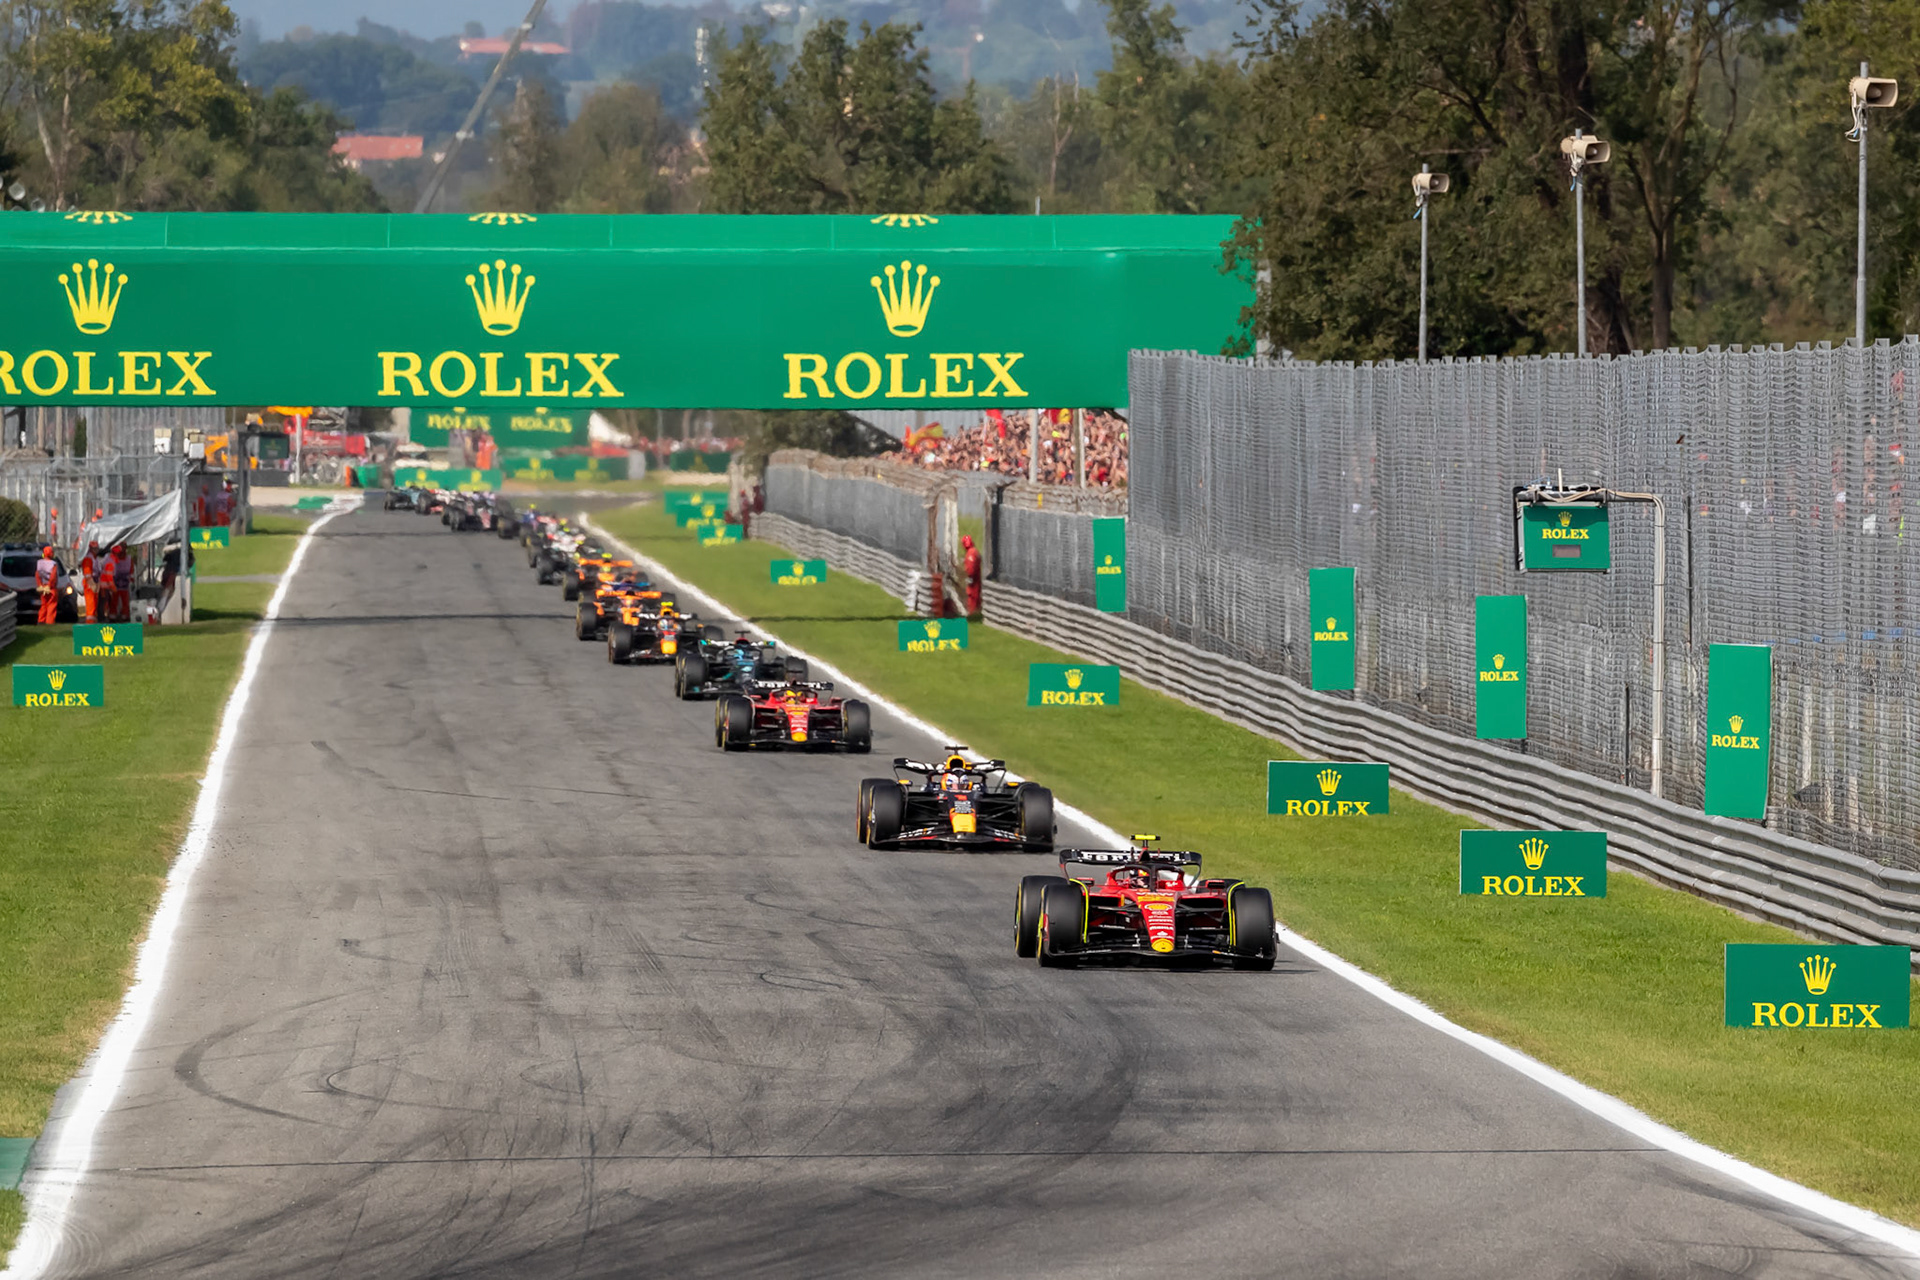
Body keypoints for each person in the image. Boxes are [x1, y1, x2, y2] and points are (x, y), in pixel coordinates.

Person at [34, 545, 59, 624]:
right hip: (50, 588)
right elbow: (53, 576)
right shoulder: (53, 564)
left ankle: (41, 621)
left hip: (42, 586)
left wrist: (40, 585)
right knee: (51, 605)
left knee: (43, 605)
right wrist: (49, 586)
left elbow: (37, 575)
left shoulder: (39, 563)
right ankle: (49, 622)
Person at [77, 541, 100, 622]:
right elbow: (87, 574)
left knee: (94, 604)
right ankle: (90, 622)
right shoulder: (88, 558)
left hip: (94, 582)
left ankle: (93, 621)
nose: (96, 550)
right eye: (95, 548)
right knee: (91, 604)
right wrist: (92, 584)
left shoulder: (95, 558)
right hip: (89, 584)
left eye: (97, 548)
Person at [960, 534, 981, 616]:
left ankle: (972, 614)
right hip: (976, 580)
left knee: (972, 597)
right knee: (975, 598)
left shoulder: (970, 553)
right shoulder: (974, 551)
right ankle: (975, 613)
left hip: (973, 581)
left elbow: (971, 568)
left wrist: (969, 577)